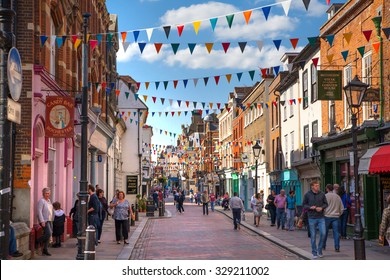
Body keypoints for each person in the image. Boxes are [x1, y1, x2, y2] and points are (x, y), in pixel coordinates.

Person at [303, 180, 328, 259]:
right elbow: (304, 205)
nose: (318, 187)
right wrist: (310, 207)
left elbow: (326, 204)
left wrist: (322, 208)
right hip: (311, 217)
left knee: (323, 233)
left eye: (318, 185)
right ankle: (314, 252)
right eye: (316, 185)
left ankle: (319, 250)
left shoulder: (322, 194)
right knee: (313, 236)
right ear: (312, 186)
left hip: (321, 217)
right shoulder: (307, 194)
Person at [323, 184, 343, 252]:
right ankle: (337, 247)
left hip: (327, 216)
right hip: (336, 216)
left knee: (325, 232)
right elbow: (342, 208)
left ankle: (323, 245)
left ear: (327, 189)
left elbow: (323, 207)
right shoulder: (337, 197)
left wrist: (324, 213)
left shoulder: (325, 196)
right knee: (336, 233)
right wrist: (339, 214)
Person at [36, 187, 54, 256]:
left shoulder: (49, 201)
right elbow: (39, 211)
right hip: (44, 220)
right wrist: (42, 221)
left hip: (49, 219)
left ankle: (45, 249)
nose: (47, 195)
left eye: (48, 193)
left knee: (49, 234)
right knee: (48, 233)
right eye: (46, 193)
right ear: (43, 194)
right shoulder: (41, 201)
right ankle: (38, 241)